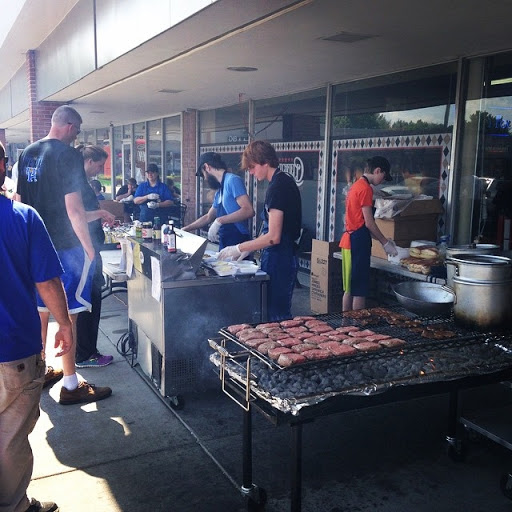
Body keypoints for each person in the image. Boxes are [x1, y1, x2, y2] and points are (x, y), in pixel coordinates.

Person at [16, 104, 112, 405]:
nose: (77, 136)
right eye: (78, 130)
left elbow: (19, 200)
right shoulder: (68, 155)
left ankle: (41, 370)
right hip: (64, 247)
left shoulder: (27, 152)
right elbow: (73, 209)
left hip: (34, 245)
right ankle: (71, 385)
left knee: (41, 311)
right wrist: (88, 247)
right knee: (68, 314)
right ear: (70, 126)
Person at [0, 141, 73, 512]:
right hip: (14, 350)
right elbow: (47, 281)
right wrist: (64, 323)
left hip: (13, 349)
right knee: (10, 437)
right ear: (3, 167)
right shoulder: (23, 217)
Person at [218, 141, 301, 321]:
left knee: (276, 315)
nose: (251, 172)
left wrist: (239, 247)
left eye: (252, 167)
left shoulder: (278, 187)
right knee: (272, 311)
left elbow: (274, 237)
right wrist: (250, 248)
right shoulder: (283, 180)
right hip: (281, 255)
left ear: (265, 162)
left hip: (281, 257)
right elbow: (272, 230)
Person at [339, 156, 398, 312]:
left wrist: (382, 240)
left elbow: (358, 222)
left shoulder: (355, 186)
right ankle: (357, 329)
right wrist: (385, 243)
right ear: (377, 171)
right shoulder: (366, 189)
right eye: (383, 177)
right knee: (360, 290)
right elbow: (369, 222)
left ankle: (346, 326)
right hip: (357, 243)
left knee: (349, 288)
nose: (383, 181)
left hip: (348, 240)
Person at [76, 145, 115, 368]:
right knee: (89, 303)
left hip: (89, 249)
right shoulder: (78, 184)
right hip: (86, 251)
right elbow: (76, 216)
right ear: (89, 161)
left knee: (90, 302)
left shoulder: (81, 182)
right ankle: (85, 354)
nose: (100, 171)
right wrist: (101, 213)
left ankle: (85, 351)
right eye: (99, 166)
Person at [182, 152, 254, 249]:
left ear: (207, 167)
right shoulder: (220, 190)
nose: (205, 179)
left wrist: (219, 221)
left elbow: (248, 210)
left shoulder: (232, 180)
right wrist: (187, 228)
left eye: (203, 175)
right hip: (225, 241)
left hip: (238, 241)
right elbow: (208, 217)